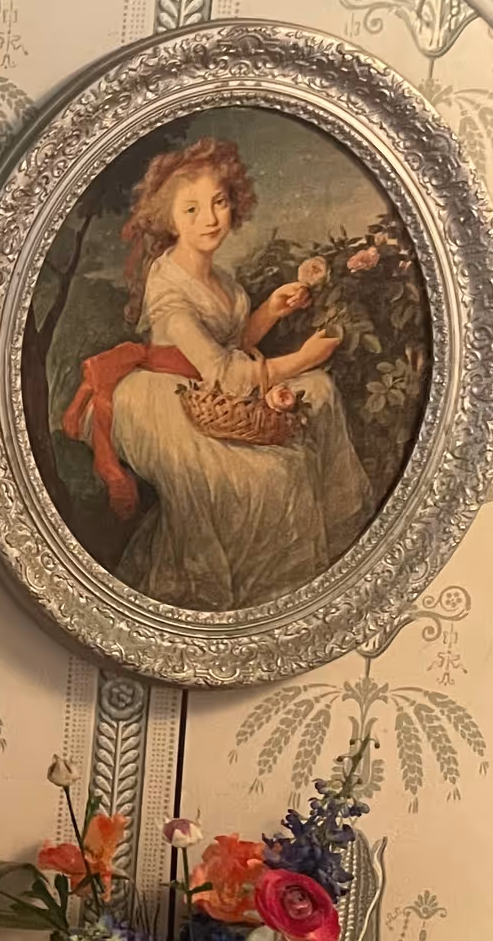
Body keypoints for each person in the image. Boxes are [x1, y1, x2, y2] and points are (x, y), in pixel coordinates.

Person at [63, 136, 372, 611]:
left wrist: (270, 310)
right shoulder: (167, 285)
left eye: (219, 203)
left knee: (321, 391)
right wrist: (304, 358)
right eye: (191, 210)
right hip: (165, 394)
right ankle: (251, 594)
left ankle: (331, 554)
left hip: (210, 385)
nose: (209, 219)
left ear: (235, 204)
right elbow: (224, 373)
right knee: (260, 476)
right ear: (169, 219)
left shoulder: (222, 280)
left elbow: (233, 346)